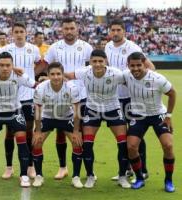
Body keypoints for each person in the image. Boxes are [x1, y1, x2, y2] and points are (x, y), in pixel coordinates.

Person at [65, 49, 130, 188]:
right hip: (92, 110)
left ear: (106, 61)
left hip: (113, 109)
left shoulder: (116, 74)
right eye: (94, 61)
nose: (98, 64)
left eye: (100, 61)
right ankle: (90, 176)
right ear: (90, 62)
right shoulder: (84, 72)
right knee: (87, 144)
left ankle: (122, 176)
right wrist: (49, 77)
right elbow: (68, 75)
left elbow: (131, 81)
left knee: (123, 143)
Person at [43, 17, 93, 179]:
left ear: (77, 29)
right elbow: (45, 67)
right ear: (61, 30)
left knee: (82, 134)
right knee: (60, 132)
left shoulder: (86, 47)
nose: (69, 31)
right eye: (66, 29)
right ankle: (63, 167)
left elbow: (92, 69)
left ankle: (87, 170)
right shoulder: (54, 48)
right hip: (61, 97)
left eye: (72, 28)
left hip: (83, 96)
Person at [105, 19, 154, 181]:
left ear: (124, 31)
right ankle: (127, 169)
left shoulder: (133, 47)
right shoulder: (107, 47)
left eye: (119, 30)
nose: (116, 33)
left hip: (132, 99)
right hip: (114, 98)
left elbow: (150, 68)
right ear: (109, 31)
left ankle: (144, 170)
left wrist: (141, 85)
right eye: (113, 30)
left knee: (136, 134)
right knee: (122, 136)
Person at [0, 52, 37, 187]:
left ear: (12, 65)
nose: (5, 68)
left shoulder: (19, 76)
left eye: (8, 65)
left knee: (22, 142)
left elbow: (36, 86)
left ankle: (23, 175)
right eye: (2, 65)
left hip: (15, 112)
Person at [124, 52, 176, 192]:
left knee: (168, 145)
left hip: (158, 114)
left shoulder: (157, 78)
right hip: (138, 115)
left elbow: (172, 93)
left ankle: (168, 180)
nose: (135, 68)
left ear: (144, 64)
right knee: (131, 147)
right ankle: (140, 178)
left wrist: (168, 116)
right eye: (132, 65)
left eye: (138, 65)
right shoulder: (126, 76)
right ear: (128, 65)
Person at [0, 22, 42, 179]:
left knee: (29, 132)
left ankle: (30, 166)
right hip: (11, 98)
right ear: (12, 33)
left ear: (26, 32)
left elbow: (41, 64)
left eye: (21, 31)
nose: (19, 34)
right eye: (16, 31)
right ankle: (9, 167)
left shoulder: (34, 49)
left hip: (29, 96)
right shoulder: (6, 50)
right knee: (10, 133)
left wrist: (32, 76)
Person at [32, 62, 83, 188]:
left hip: (66, 117)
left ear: (62, 74)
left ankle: (76, 177)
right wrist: (37, 131)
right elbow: (37, 110)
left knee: (77, 142)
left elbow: (77, 110)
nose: (56, 77)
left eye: (58, 74)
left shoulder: (71, 88)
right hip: (48, 116)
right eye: (53, 74)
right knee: (36, 142)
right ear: (48, 75)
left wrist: (76, 131)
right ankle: (39, 176)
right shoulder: (41, 88)